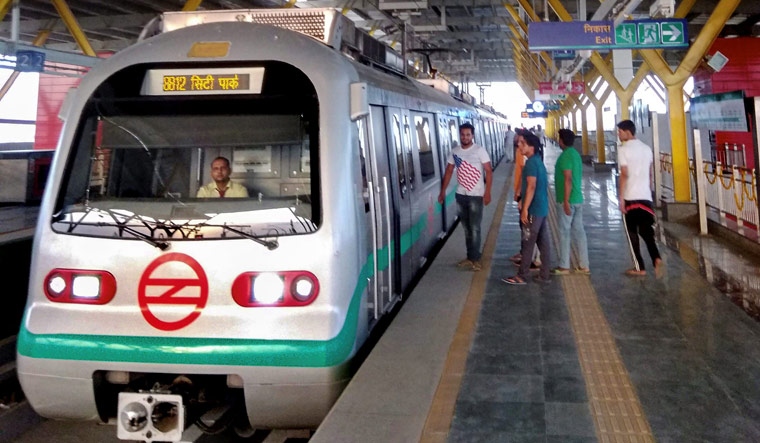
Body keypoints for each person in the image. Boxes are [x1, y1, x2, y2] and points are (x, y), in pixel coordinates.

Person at [438, 123, 493, 272]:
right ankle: (470, 257)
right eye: (463, 134)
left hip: (476, 195)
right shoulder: (455, 152)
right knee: (466, 228)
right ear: (459, 135)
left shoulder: (480, 151)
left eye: (468, 134)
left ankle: (475, 259)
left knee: (474, 228)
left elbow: (488, 171)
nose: (465, 137)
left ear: (472, 135)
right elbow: (449, 171)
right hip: (461, 195)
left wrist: (487, 192)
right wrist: (443, 191)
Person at [503, 132, 551, 284]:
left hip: (533, 210)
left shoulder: (530, 163)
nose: (519, 145)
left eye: (523, 143)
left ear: (531, 146)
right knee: (544, 244)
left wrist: (524, 209)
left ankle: (522, 276)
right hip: (541, 209)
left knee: (528, 242)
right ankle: (544, 275)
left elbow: (531, 186)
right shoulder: (537, 161)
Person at [616, 120, 662, 276]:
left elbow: (624, 174)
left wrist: (621, 198)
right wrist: (648, 192)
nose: (618, 134)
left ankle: (639, 267)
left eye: (620, 131)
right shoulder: (647, 149)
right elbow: (650, 174)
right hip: (645, 197)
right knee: (646, 231)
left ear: (628, 132)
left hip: (631, 197)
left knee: (632, 234)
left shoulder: (623, 150)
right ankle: (656, 257)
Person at [552, 129, 590, 275]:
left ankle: (564, 266)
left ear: (561, 140)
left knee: (564, 232)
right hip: (578, 199)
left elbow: (567, 178)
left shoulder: (565, 156)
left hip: (567, 200)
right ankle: (584, 265)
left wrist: (566, 202)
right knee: (579, 232)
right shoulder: (575, 155)